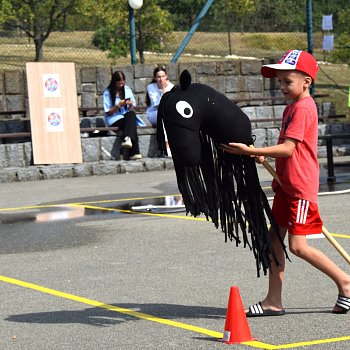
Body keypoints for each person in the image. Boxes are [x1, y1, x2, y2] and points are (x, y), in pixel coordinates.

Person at [221, 50, 350, 316]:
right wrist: (262, 155)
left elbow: (289, 149)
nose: (281, 86)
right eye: (278, 81)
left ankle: (346, 283)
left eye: (287, 81)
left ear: (307, 82)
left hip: (300, 187)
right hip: (286, 184)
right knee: (274, 239)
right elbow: (286, 149)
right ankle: (273, 301)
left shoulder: (303, 108)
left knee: (298, 246)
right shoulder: (292, 107)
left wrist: (252, 151)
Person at [103, 70, 142, 160]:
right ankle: (134, 152)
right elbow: (108, 112)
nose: (120, 86)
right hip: (114, 118)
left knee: (131, 115)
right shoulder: (107, 93)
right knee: (131, 124)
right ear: (114, 82)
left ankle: (127, 139)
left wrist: (131, 104)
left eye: (122, 83)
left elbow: (132, 108)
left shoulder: (127, 90)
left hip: (126, 116)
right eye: (118, 84)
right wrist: (119, 105)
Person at [146, 67, 174, 156]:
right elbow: (156, 104)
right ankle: (167, 145)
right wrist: (163, 91)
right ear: (155, 78)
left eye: (163, 76)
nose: (161, 79)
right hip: (154, 114)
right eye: (158, 77)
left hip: (168, 114)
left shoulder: (171, 87)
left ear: (166, 77)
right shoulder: (151, 87)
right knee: (164, 115)